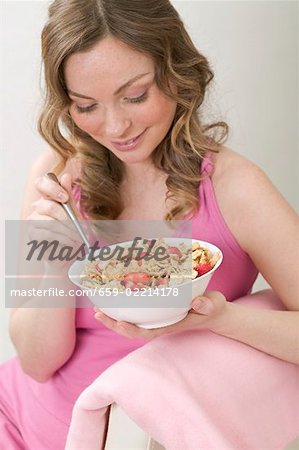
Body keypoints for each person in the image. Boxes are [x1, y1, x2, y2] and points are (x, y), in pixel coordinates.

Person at [1, 0, 298, 449]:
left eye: (135, 96)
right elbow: (37, 362)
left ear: (175, 71)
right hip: (21, 421)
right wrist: (56, 262)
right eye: (86, 106)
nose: (116, 126)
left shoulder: (235, 189)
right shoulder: (56, 175)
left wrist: (220, 319)